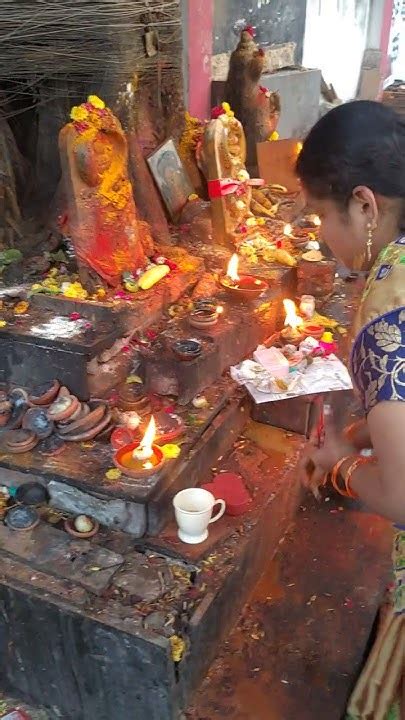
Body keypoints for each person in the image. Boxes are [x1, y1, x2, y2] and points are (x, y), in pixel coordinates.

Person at [296, 100, 405, 720]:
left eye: (320, 214)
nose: (319, 235)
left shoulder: (387, 305)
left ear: (364, 205)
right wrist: (365, 432)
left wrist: (342, 465)